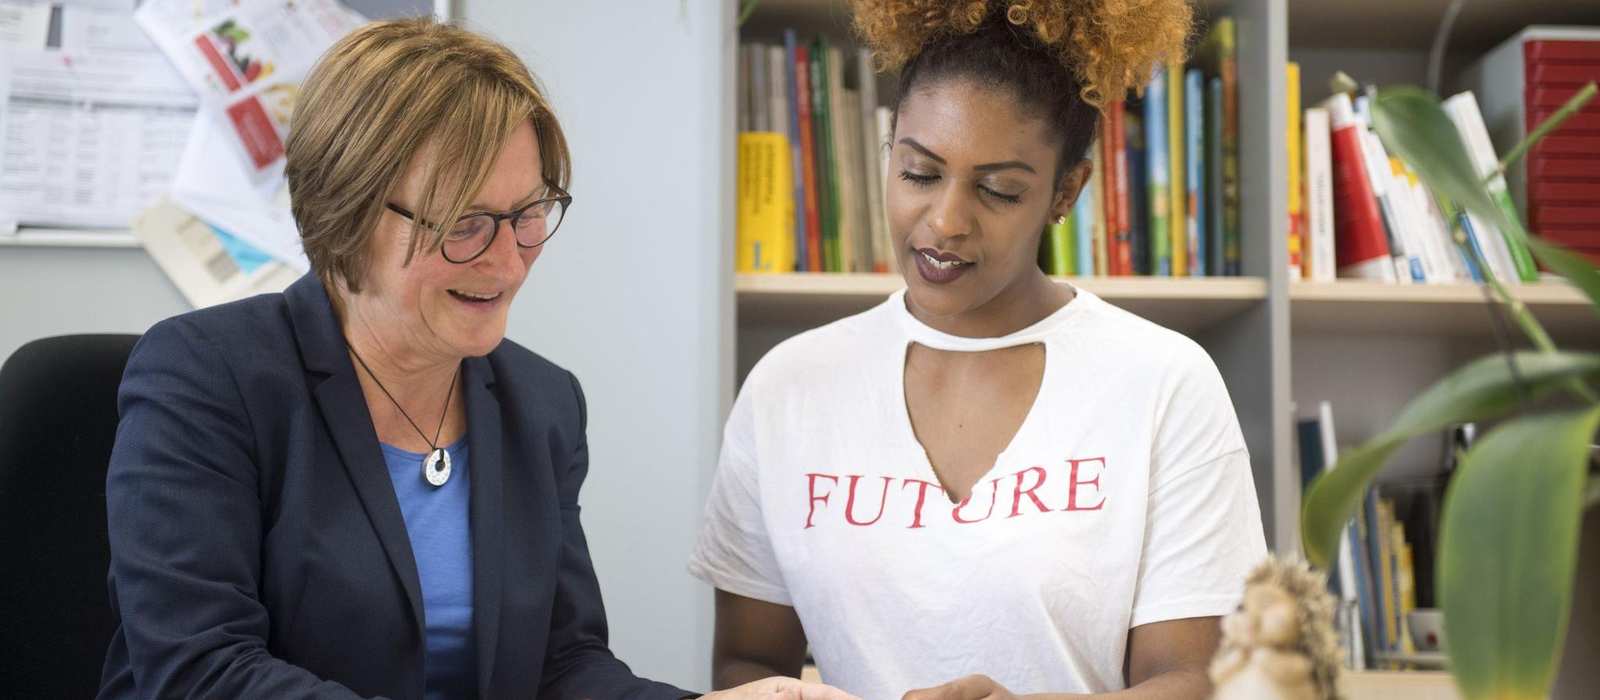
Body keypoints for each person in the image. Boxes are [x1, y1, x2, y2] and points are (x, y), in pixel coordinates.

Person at [99, 18, 852, 700]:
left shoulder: (542, 402)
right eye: (466, 223)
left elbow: (562, 665)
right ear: (347, 211)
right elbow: (200, 670)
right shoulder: (205, 376)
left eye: (528, 216)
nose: (508, 261)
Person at [689, 1, 1267, 698]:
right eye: (919, 174)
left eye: (997, 190)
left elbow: (1197, 681)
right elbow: (746, 665)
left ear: (1066, 192)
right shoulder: (789, 386)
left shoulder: (1163, 382)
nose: (945, 221)